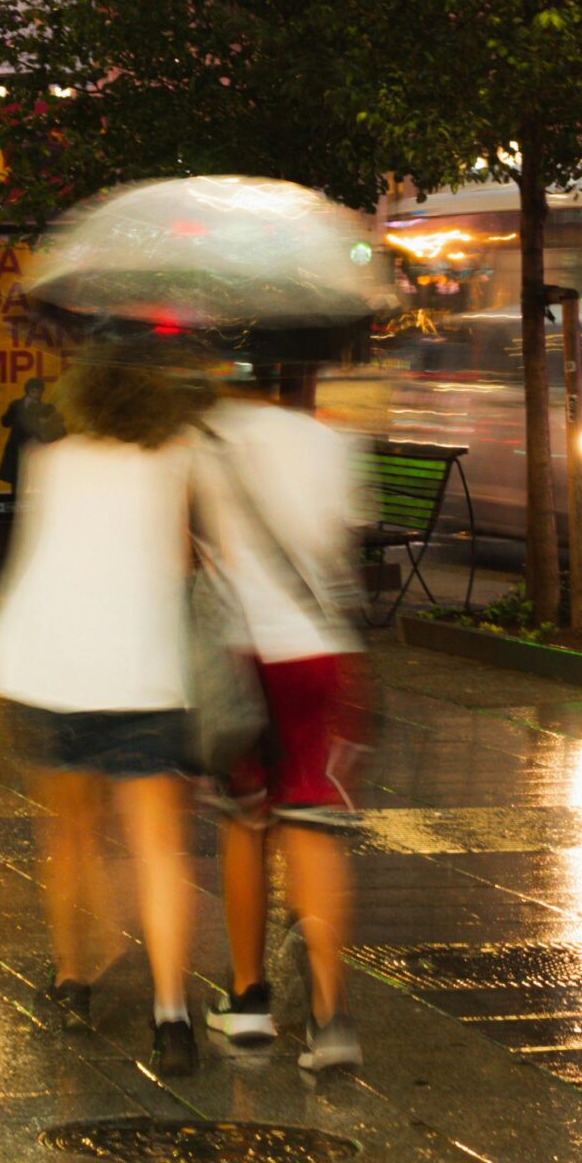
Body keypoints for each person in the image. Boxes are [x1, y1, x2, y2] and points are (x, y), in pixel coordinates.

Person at [0, 338, 208, 1079]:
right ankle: (171, 1016)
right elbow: (180, 564)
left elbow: (34, 556)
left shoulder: (52, 459)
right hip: (145, 673)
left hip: (55, 671)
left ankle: (73, 980)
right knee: (158, 848)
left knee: (68, 835)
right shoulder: (177, 457)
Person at [195, 362, 370, 1075]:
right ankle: (329, 1021)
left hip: (243, 650)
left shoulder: (206, 440)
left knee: (245, 820)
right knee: (312, 820)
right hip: (319, 652)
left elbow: (194, 549)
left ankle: (249, 1001)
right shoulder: (334, 441)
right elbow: (342, 544)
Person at [0, 374, 63, 494]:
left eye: (39, 391)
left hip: (37, 448)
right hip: (17, 448)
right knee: (17, 481)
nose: (36, 393)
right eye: (33, 391)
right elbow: (5, 422)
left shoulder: (47, 408)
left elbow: (57, 428)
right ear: (28, 391)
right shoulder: (16, 405)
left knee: (38, 480)